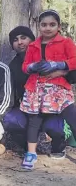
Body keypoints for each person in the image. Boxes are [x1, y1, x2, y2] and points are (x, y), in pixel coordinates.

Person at [3, 26, 74, 158]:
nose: (20, 42)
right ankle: (27, 147)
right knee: (12, 120)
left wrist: (61, 71)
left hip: (52, 106)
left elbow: (73, 75)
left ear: (32, 40)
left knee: (56, 126)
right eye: (15, 40)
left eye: (24, 38)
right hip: (29, 108)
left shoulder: (48, 54)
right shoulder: (12, 66)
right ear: (12, 45)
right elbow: (11, 93)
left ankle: (58, 146)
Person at [20, 10, 76, 170]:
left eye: (52, 24)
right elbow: (25, 66)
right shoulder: (32, 45)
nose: (48, 28)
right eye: (44, 25)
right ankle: (31, 154)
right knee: (34, 121)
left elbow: (74, 60)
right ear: (39, 27)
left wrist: (60, 65)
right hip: (36, 89)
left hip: (59, 90)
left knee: (73, 118)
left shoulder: (66, 42)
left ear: (58, 26)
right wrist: (32, 67)